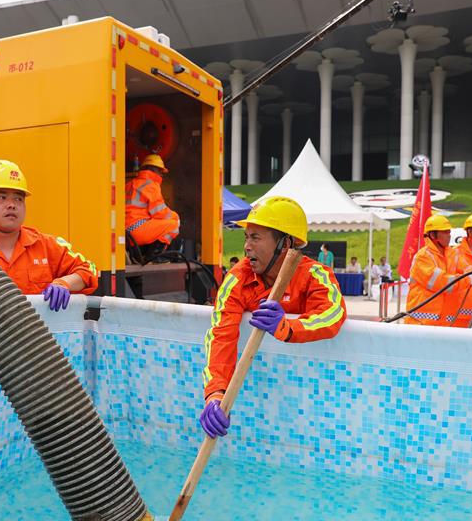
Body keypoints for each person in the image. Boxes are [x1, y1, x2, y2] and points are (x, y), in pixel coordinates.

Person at [198, 197, 347, 439]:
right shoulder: (237, 278)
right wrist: (215, 394)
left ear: (285, 243)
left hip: (315, 407)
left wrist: (287, 327)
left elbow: (333, 314)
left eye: (255, 237)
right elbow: (220, 336)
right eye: (246, 237)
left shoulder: (315, 274)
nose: (246, 246)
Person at [0, 159, 98, 311]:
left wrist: (63, 283)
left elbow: (89, 270)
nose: (11, 204)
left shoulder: (46, 245)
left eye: (18, 198)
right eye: (1, 197)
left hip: (34, 333)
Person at [403, 215, 472, 326]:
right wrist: (468, 279)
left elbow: (467, 268)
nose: (449, 236)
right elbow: (442, 283)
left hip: (441, 324)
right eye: (444, 232)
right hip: (420, 324)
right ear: (433, 235)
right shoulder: (423, 257)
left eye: (449, 232)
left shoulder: (451, 254)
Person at [124, 154, 180, 257]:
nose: (162, 175)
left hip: (125, 233)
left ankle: (142, 255)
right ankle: (155, 256)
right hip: (136, 230)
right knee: (173, 225)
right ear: (154, 169)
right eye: (161, 171)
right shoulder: (151, 185)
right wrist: (175, 217)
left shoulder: (129, 184)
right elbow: (159, 212)